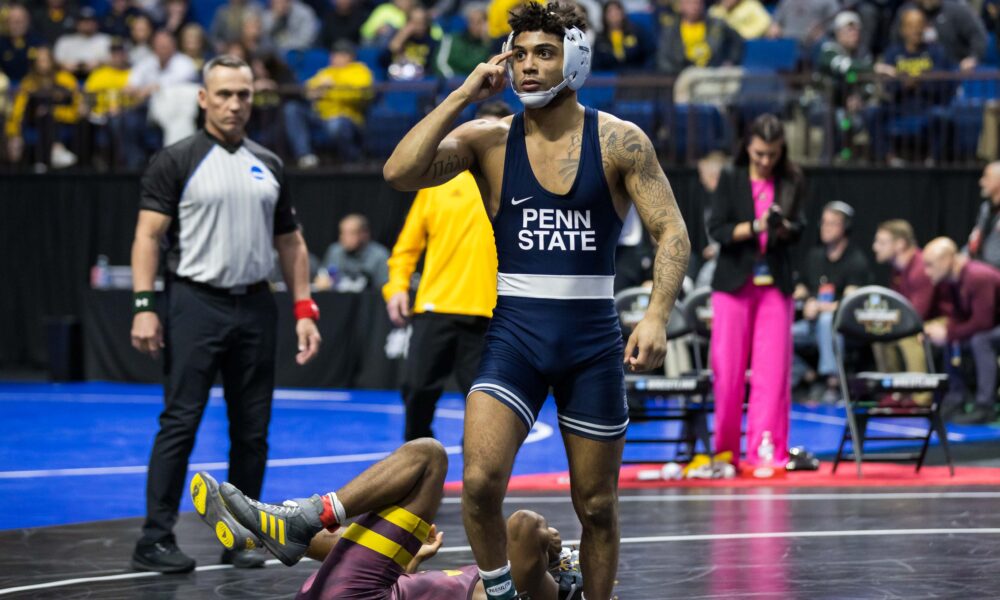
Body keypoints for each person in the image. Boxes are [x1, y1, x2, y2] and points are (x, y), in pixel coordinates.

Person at [383, 3, 691, 597]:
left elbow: (672, 232)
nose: (526, 66)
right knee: (478, 483)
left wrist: (656, 316)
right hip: (515, 337)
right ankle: (500, 595)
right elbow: (400, 172)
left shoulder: (621, 142)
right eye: (518, 53)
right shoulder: (488, 140)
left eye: (543, 53)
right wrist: (462, 95)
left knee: (597, 505)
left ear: (575, 61)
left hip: (591, 342)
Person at [128, 54, 322, 573]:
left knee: (253, 429)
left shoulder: (270, 162)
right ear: (203, 99)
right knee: (180, 422)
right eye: (225, 94)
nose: (235, 104)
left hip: (257, 305)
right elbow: (148, 236)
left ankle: (245, 537)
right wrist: (145, 305)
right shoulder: (177, 160)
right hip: (195, 302)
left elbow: (291, 240)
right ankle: (154, 537)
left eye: (243, 94)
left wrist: (304, 308)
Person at [190, 438, 583, 599]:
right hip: (362, 590)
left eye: (561, 551)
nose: (558, 538)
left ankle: (298, 519)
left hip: (362, 596)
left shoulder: (525, 590)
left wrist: (544, 542)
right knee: (349, 542)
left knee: (429, 458)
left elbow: (524, 525)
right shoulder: (492, 580)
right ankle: (257, 533)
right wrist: (414, 561)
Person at [386, 101, 509, 442]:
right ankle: (414, 473)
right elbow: (406, 247)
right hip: (436, 307)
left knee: (487, 408)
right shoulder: (438, 182)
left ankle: (481, 483)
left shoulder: (516, 184)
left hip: (493, 312)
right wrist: (396, 287)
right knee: (416, 391)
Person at [708, 114, 806, 469]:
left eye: (773, 154)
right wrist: (755, 226)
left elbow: (800, 229)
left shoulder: (792, 179)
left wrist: (783, 228)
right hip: (734, 284)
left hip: (775, 284)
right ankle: (726, 452)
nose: (766, 161)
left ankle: (767, 448)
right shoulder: (731, 178)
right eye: (760, 153)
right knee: (729, 371)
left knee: (773, 370)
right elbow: (717, 230)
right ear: (748, 147)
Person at [792, 201, 872, 403]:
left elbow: (851, 303)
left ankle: (832, 383)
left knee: (827, 320)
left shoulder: (855, 260)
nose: (826, 228)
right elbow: (801, 285)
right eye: (824, 223)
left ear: (845, 228)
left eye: (833, 223)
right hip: (811, 325)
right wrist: (804, 298)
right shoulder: (814, 256)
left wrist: (819, 307)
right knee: (777, 334)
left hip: (843, 328)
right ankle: (807, 375)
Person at [923, 237, 1000, 425]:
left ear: (947, 259)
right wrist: (945, 331)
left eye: (930, 265)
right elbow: (959, 317)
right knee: (952, 337)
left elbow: (983, 322)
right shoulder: (952, 281)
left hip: (991, 327)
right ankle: (956, 397)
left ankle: (986, 405)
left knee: (979, 340)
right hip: (992, 326)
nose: (926, 272)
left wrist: (948, 333)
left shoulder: (977, 276)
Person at [283, 40, 373, 168]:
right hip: (321, 116)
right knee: (292, 109)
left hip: (347, 118)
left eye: (339, 54)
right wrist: (316, 92)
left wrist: (331, 89)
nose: (333, 57)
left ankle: (351, 159)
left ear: (349, 56)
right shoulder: (327, 71)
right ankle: (305, 156)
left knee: (336, 124)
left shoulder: (359, 70)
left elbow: (360, 94)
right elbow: (308, 90)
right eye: (333, 54)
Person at [656, 0, 743, 77]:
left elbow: (737, 42)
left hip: (712, 76)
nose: (695, 6)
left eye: (698, 3)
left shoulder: (717, 25)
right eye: (690, 3)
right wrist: (680, 74)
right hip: (682, 79)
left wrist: (730, 61)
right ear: (681, 6)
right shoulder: (671, 31)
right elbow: (664, 60)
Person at [316, 214, 390, 292]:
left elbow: (384, 288)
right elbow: (322, 276)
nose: (345, 237)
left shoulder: (380, 256)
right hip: (336, 300)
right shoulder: (335, 251)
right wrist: (322, 280)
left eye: (351, 233)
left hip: (366, 302)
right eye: (342, 233)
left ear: (364, 234)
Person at [967, 161, 1000, 271]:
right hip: (980, 266)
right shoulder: (985, 208)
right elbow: (975, 238)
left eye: (987, 177)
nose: (981, 182)